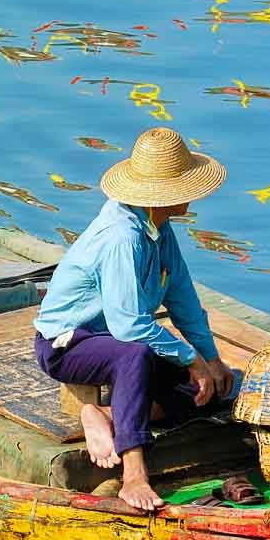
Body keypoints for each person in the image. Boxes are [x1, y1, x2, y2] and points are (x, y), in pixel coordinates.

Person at [33, 127, 234, 511]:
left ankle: (102, 414)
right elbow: (128, 327)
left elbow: (183, 298)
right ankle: (134, 474)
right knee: (134, 355)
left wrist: (209, 359)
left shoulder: (161, 229)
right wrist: (188, 357)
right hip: (69, 344)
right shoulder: (122, 236)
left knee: (210, 390)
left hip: (121, 342)